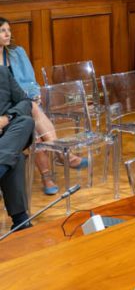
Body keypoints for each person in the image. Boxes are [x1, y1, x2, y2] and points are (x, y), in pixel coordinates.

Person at [0, 17, 86, 196]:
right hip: (4, 110)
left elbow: (30, 81)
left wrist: (34, 96)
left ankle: (48, 176)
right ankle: (61, 155)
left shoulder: (17, 53)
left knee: (31, 110)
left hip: (24, 101)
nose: (8, 34)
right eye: (2, 31)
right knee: (31, 120)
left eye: (8, 30)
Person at [0, 63, 32, 229]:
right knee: (15, 157)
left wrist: (6, 118)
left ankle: (21, 220)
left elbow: (26, 102)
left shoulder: (3, 73)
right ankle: (20, 219)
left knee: (26, 121)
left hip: (6, 134)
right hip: (7, 146)